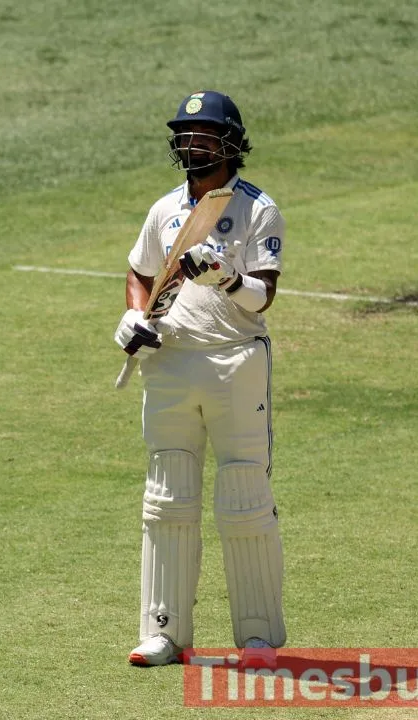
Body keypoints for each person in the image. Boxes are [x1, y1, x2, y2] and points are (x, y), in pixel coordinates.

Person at [114, 90, 286, 667]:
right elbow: (140, 273)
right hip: (169, 363)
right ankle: (164, 632)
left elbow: (263, 297)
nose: (192, 143)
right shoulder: (165, 209)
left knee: (244, 494)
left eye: (205, 134)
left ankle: (257, 637)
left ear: (231, 141)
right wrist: (134, 315)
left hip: (234, 361)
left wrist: (226, 277)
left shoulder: (258, 209)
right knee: (168, 496)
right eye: (186, 135)